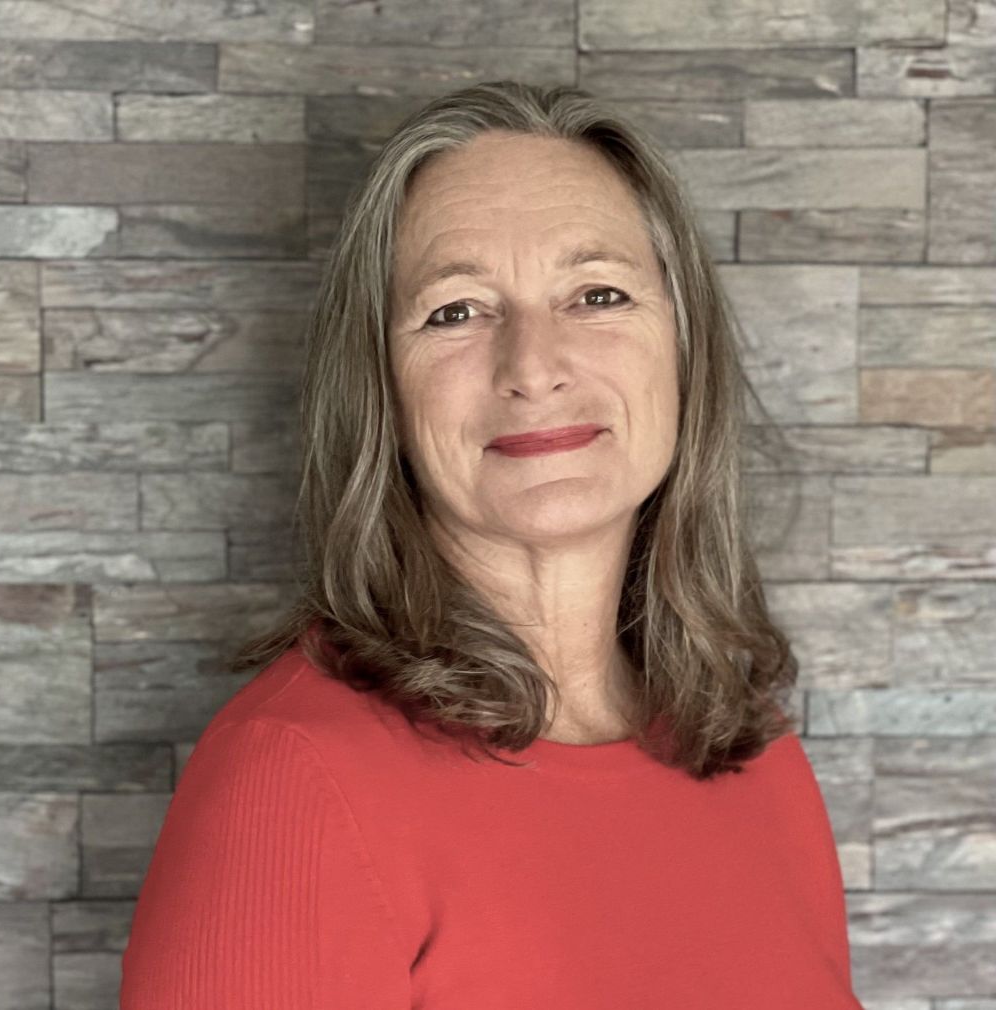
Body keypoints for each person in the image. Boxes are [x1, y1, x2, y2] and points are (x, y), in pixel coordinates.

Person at [120, 80, 864, 1009]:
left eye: (597, 294)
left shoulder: (754, 756)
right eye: (457, 311)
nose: (534, 368)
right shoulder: (289, 782)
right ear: (380, 390)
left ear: (684, 350)